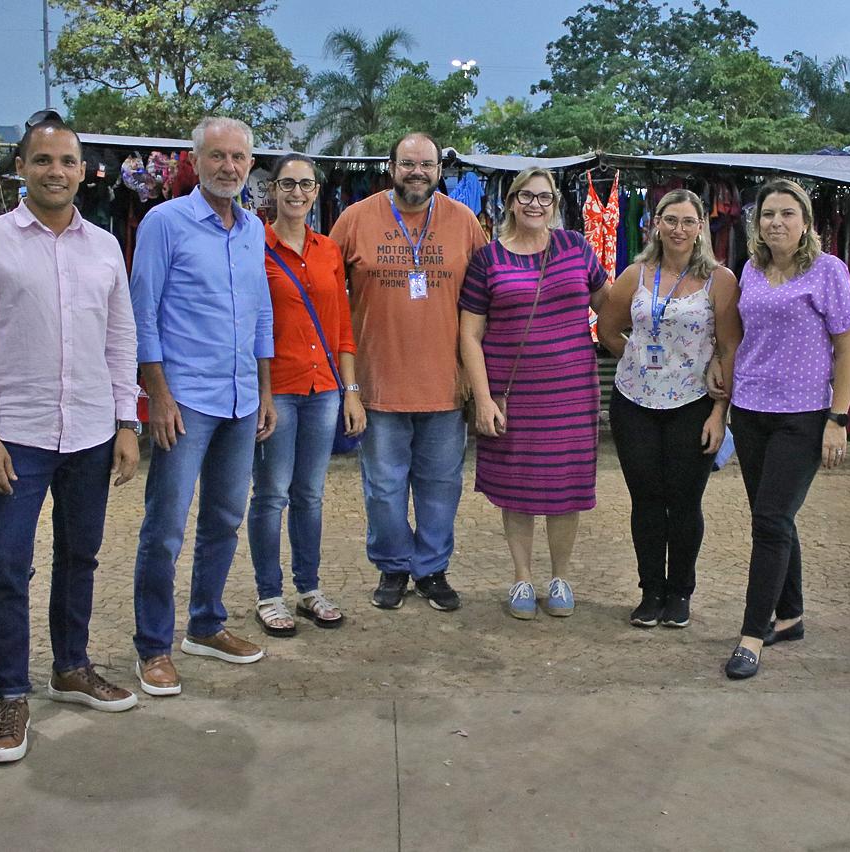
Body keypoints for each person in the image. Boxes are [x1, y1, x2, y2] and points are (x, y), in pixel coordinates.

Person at [0, 111, 141, 763]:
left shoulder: (104, 247)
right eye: (43, 160)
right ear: (21, 168)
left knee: (80, 556)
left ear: (84, 172)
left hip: (90, 433)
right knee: (8, 565)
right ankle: (11, 693)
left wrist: (126, 423)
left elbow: (120, 341)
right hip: (15, 439)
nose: (56, 171)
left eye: (66, 161)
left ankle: (71, 666)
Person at [129, 116, 277, 697]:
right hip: (185, 401)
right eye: (217, 156)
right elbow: (143, 313)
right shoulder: (165, 223)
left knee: (225, 518)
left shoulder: (253, 228)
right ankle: (153, 646)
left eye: (238, 157)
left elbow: (261, 314)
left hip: (241, 399)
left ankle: (206, 624)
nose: (229, 167)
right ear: (196, 161)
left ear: (250, 164)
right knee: (166, 526)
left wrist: (265, 391)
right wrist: (158, 396)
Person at [710, 178, 850, 680]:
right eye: (768, 214)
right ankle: (791, 615)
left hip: (802, 415)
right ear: (756, 223)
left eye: (787, 213)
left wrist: (838, 418)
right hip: (751, 410)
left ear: (806, 223)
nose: (776, 222)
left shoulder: (828, 270)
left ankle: (751, 635)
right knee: (774, 517)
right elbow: (741, 336)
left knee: (770, 521)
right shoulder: (751, 270)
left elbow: (848, 347)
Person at [329, 133, 488, 612]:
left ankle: (432, 569)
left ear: (439, 170)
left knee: (441, 487)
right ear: (391, 167)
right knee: (383, 489)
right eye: (407, 163)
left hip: (445, 385)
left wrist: (478, 379)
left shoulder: (464, 222)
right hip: (378, 384)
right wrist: (347, 384)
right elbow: (329, 298)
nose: (417, 172)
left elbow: (487, 300)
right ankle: (394, 566)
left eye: (426, 164)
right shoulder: (355, 219)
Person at [459, 168, 610, 619]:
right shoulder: (487, 259)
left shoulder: (576, 248)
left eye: (544, 197)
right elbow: (470, 335)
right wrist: (482, 398)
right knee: (517, 487)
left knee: (566, 485)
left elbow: (611, 305)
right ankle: (522, 577)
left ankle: (560, 576)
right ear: (510, 201)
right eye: (526, 196)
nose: (535, 205)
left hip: (572, 394)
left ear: (556, 204)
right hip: (514, 395)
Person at [596, 189, 733, 628]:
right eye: (670, 219)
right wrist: (635, 357)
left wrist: (719, 413)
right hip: (635, 403)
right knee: (646, 500)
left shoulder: (719, 280)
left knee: (685, 501)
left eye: (688, 221)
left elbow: (729, 348)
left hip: (693, 404)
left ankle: (680, 592)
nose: (678, 229)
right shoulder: (635, 275)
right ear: (656, 223)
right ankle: (651, 590)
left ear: (700, 228)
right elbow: (607, 329)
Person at [249, 153, 364, 635]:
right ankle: (269, 593)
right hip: (278, 388)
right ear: (273, 190)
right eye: (288, 184)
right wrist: (261, 394)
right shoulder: (255, 245)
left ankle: (308, 587)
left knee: (310, 494)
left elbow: (342, 326)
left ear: (317, 191)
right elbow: (251, 325)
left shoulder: (328, 250)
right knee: (271, 494)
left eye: (306, 185)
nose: (297, 193)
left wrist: (351, 390)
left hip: (324, 389)